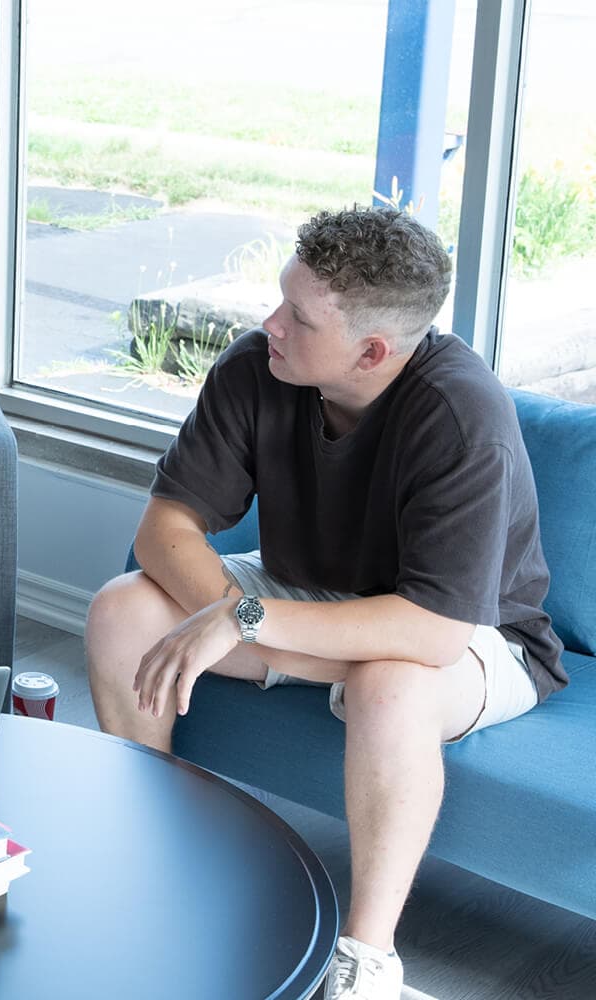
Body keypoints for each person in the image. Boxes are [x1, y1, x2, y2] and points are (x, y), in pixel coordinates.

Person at [83, 206, 565, 1000]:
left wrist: (245, 622)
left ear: (372, 351)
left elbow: (434, 632)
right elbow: (164, 531)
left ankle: (366, 963)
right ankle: (148, 864)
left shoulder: (462, 416)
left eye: (298, 317)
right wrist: (226, 617)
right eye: (281, 298)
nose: (269, 323)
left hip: (476, 631)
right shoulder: (257, 366)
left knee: (390, 682)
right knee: (121, 610)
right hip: (317, 600)